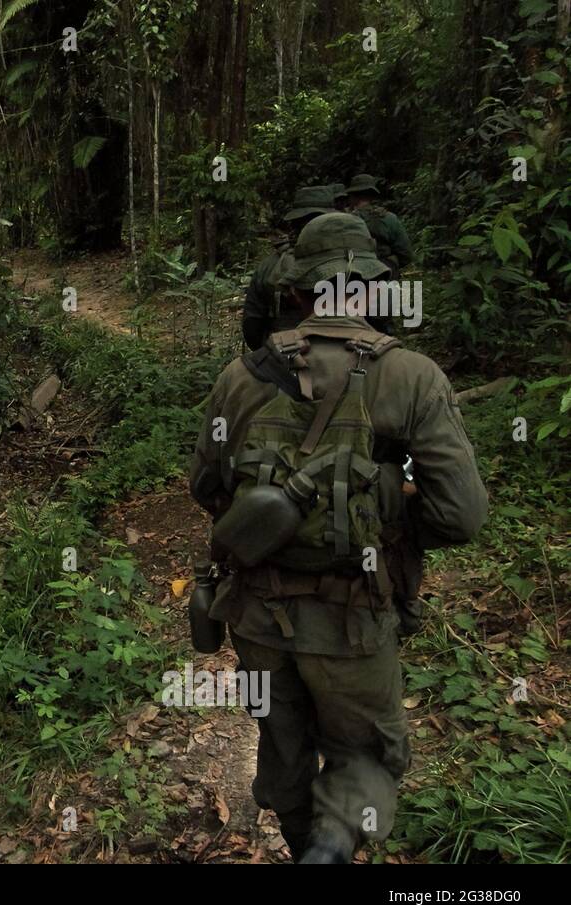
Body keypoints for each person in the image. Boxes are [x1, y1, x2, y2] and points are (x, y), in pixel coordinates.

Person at [190, 212, 488, 863]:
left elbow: (208, 489)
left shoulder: (241, 377)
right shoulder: (411, 378)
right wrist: (389, 502)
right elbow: (461, 515)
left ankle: (309, 847)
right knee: (362, 754)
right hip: (355, 620)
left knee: (284, 751)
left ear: (294, 291)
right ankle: (328, 849)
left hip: (259, 619)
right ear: (372, 291)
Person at [241, 186, 333, 350]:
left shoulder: (269, 265)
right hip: (339, 358)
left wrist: (265, 354)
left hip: (282, 356)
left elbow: (252, 323)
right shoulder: (351, 262)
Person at [345, 173, 413, 278]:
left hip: (354, 274)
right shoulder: (389, 218)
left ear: (352, 196)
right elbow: (406, 254)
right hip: (385, 272)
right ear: (372, 196)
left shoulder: (344, 220)